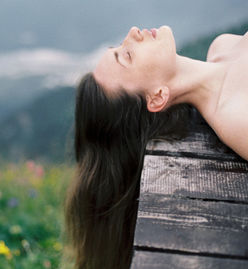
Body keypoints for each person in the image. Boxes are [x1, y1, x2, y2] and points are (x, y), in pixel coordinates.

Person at [64, 25, 248, 269]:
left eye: (119, 47)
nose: (132, 32)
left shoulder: (222, 47)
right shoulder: (235, 119)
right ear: (157, 97)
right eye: (127, 55)